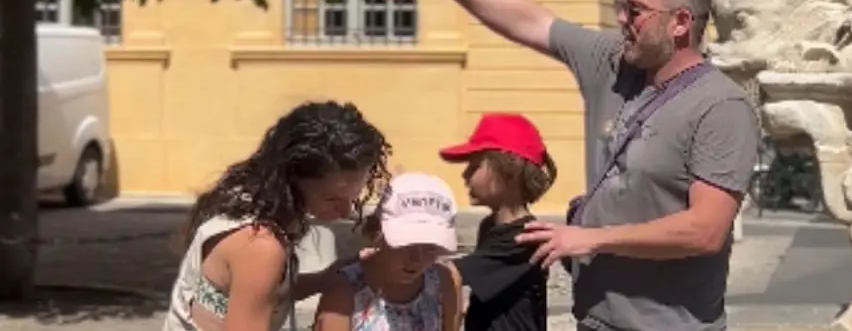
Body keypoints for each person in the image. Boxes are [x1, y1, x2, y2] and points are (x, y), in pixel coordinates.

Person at [362, 0, 761, 331]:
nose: (621, 19)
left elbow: (705, 230)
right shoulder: (614, 63)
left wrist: (591, 238)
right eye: (621, 6)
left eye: (635, 11)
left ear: (680, 23)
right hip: (594, 320)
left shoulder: (721, 106)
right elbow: (532, 22)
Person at [165, 101, 392, 331]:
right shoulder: (259, 246)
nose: (345, 212)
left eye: (353, 198)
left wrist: (324, 278)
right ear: (292, 181)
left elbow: (255, 293)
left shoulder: (245, 200)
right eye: (331, 199)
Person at [439, 113, 558, 331]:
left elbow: (450, 274)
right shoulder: (489, 226)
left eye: (475, 166)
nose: (465, 175)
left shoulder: (525, 237)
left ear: (509, 169)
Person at [313, 172, 463, 331]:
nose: (416, 259)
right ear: (378, 231)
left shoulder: (444, 280)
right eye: (406, 243)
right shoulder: (344, 291)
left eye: (430, 248)